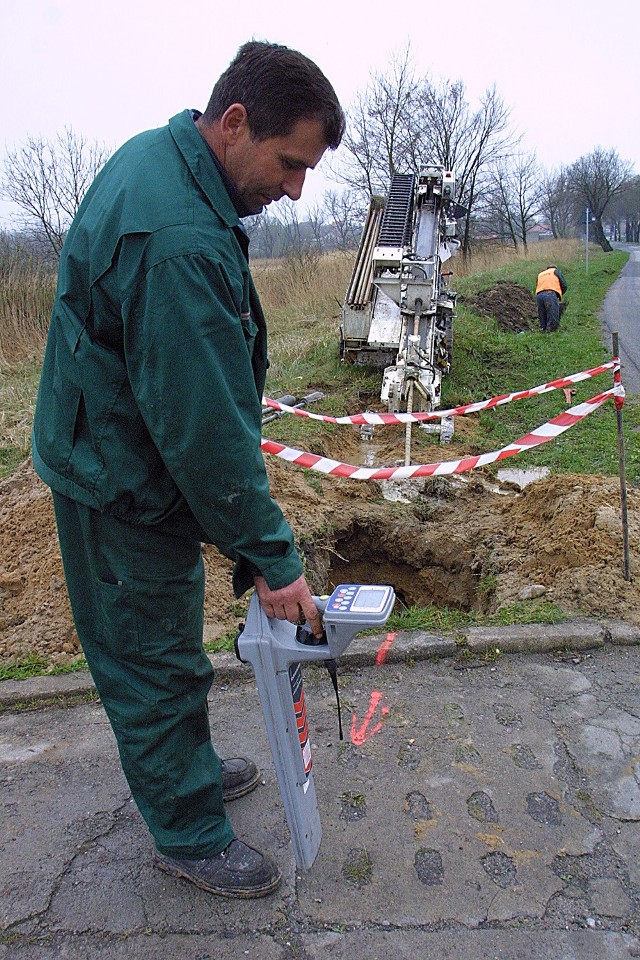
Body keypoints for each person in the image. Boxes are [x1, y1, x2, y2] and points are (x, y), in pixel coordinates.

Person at [32, 41, 345, 899]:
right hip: (118, 475)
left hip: (127, 446)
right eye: (289, 165)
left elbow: (193, 404)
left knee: (166, 648)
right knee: (153, 662)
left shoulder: (166, 160)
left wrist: (252, 550)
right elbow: (205, 431)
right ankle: (190, 833)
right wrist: (272, 563)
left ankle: (190, 774)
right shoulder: (177, 240)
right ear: (235, 122)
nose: (293, 191)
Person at [535, 263, 568, 332]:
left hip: (539, 295)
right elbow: (564, 285)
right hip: (550, 294)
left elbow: (537, 284)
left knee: (542, 313)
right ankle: (551, 331)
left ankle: (543, 329)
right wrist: (559, 294)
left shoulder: (541, 274)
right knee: (552, 312)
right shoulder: (555, 271)